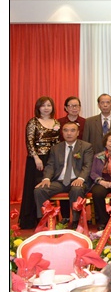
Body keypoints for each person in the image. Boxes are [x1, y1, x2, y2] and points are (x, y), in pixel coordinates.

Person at [34, 122, 94, 225]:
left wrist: (80, 178)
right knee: (39, 190)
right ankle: (45, 221)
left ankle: (76, 221)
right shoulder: (56, 148)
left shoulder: (86, 147)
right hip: (59, 182)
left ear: (78, 133)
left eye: (72, 130)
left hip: (77, 180)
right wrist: (46, 178)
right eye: (66, 130)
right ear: (62, 132)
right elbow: (50, 165)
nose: (69, 133)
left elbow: (87, 165)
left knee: (77, 189)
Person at [20, 96, 61, 228]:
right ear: (38, 108)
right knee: (35, 187)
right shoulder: (33, 122)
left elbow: (57, 142)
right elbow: (29, 142)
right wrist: (36, 158)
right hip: (36, 159)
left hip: (51, 159)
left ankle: (50, 218)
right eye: (43, 106)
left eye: (49, 105)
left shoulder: (56, 123)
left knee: (48, 187)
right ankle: (31, 220)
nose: (46, 108)